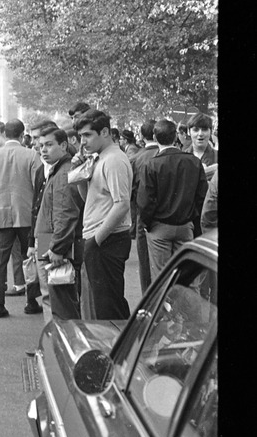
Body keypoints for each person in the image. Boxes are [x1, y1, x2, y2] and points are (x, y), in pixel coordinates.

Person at [74, 109, 133, 320]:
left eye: (88, 135)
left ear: (105, 132)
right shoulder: (100, 158)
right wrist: (80, 174)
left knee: (109, 307)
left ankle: (117, 350)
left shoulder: (114, 160)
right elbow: (90, 198)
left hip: (107, 240)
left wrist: (96, 240)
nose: (83, 142)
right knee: (100, 304)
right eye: (81, 136)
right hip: (98, 238)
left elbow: (122, 204)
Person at [0, 118, 42, 318]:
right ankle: (31, 300)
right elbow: (38, 185)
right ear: (21, 134)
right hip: (26, 214)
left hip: (0, 214)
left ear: (5, 134)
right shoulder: (32, 155)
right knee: (29, 258)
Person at [137, 119, 208, 279]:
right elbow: (201, 197)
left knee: (162, 279)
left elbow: (145, 201)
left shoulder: (151, 165)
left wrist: (147, 224)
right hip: (185, 226)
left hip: (159, 227)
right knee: (187, 279)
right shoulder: (194, 162)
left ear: (155, 138)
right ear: (175, 136)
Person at [35, 127, 84, 320]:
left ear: (63, 145)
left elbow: (65, 213)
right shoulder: (58, 169)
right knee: (52, 297)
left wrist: (57, 247)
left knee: (57, 299)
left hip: (53, 242)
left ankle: (56, 343)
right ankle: (52, 342)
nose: (43, 150)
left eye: (49, 145)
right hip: (50, 239)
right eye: (40, 146)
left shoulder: (63, 173)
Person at [23, 120, 60, 315]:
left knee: (53, 290)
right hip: (42, 235)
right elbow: (36, 208)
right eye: (36, 139)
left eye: (41, 140)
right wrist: (31, 242)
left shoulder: (62, 168)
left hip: (53, 237)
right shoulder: (41, 169)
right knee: (48, 290)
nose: (36, 144)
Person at [130, 119, 160, 293]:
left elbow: (132, 191)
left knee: (145, 264)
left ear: (141, 136)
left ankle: (147, 300)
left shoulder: (136, 158)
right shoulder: (168, 155)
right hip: (166, 216)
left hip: (143, 217)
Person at [186, 112, 218, 178]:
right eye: (196, 130)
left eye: (204, 129)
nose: (200, 134)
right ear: (188, 132)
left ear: (211, 132)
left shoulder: (217, 156)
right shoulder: (181, 158)